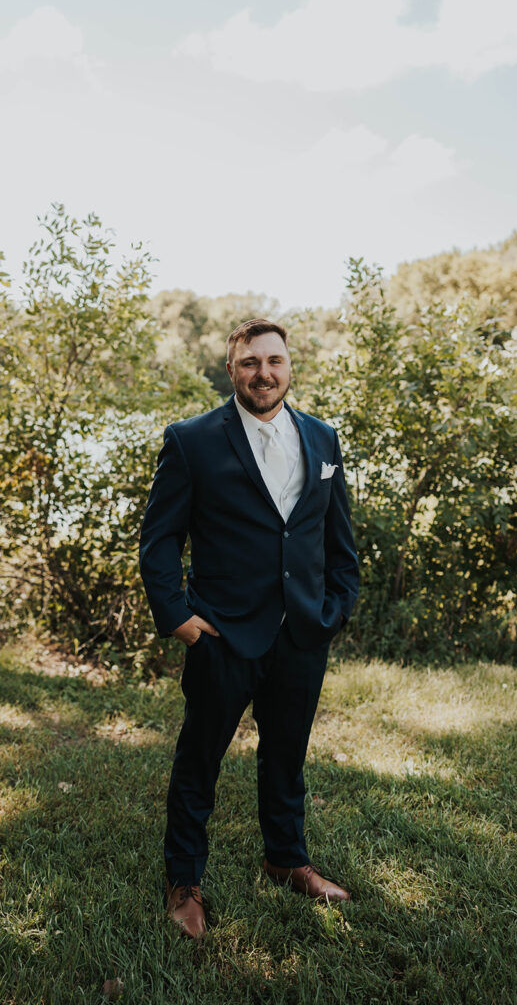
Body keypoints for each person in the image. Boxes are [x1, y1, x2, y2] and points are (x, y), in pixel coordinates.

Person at [139, 318, 360, 938]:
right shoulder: (192, 440)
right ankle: (185, 880)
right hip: (222, 634)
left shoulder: (323, 439)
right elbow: (158, 542)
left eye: (274, 361)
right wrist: (179, 618)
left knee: (287, 757)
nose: (264, 373)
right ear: (230, 369)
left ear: (290, 366)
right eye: (249, 363)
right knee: (199, 759)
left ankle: (286, 859)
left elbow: (338, 538)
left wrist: (336, 605)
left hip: (302, 634)